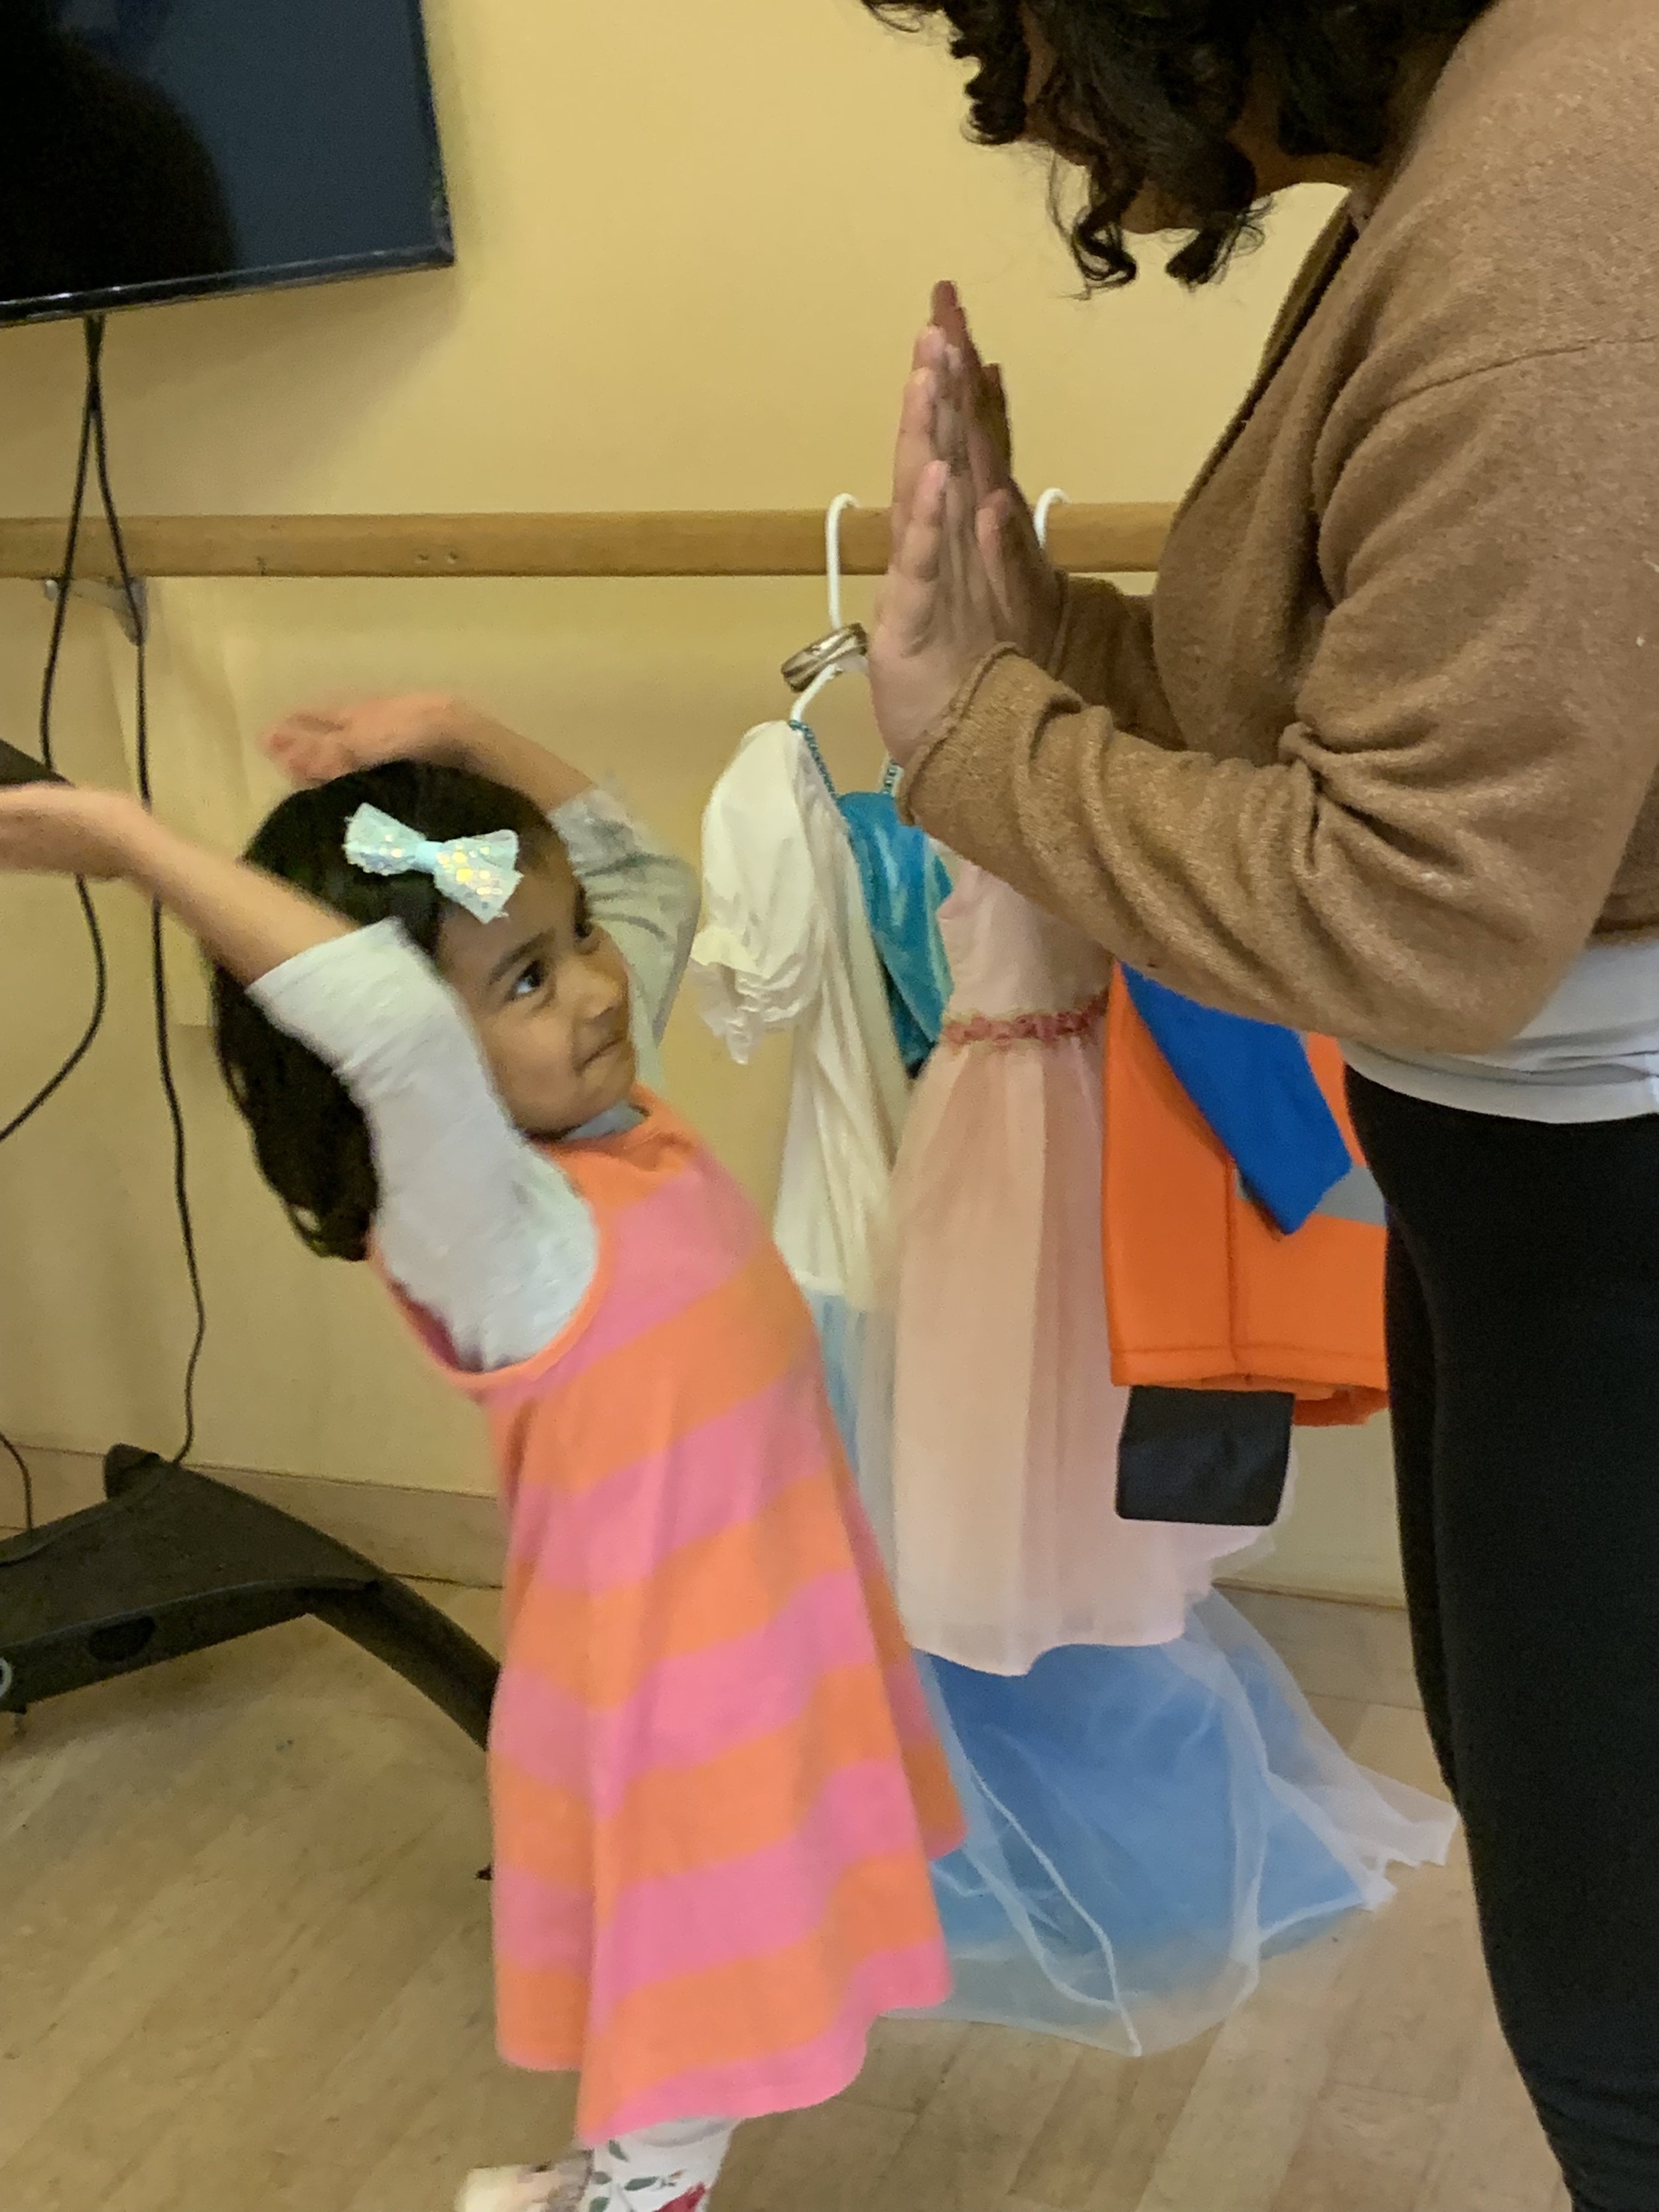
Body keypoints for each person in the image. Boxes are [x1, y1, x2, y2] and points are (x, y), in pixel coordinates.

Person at [858, 3, 1659, 2207]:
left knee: (1618, 2005)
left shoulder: (1550, 210)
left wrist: (967, 743)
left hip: (1609, 1241)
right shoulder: (1472, 158)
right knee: (1568, 1885)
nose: (1015, 104)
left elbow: (1414, 901)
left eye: (1014, 33)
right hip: (1527, 1222)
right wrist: (1034, 637)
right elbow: (1337, 715)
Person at [0, 700, 962, 2212]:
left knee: (710, 1970)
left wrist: (455, 741)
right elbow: (391, 1023)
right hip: (671, 1701)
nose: (594, 983)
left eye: (575, 943)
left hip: (766, 1641)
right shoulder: (491, 1228)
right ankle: (636, 2191)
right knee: (702, 1994)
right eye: (526, 976)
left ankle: (615, 2177)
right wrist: (133, 845)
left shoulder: (610, 1124)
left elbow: (636, 877)